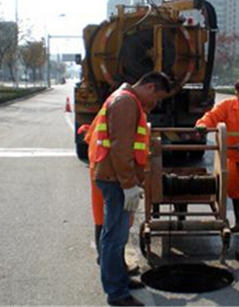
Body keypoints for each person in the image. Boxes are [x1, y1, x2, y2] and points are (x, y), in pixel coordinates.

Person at [88, 71, 171, 306]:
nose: (155, 104)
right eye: (157, 98)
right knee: (114, 237)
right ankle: (117, 293)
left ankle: (119, 279)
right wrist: (128, 185)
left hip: (115, 178)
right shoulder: (125, 102)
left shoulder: (127, 100)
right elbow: (120, 148)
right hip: (116, 179)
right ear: (151, 88)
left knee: (117, 235)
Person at [195, 78, 239, 233]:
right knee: (234, 189)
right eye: (238, 92)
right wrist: (202, 125)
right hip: (234, 156)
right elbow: (211, 116)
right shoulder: (228, 106)